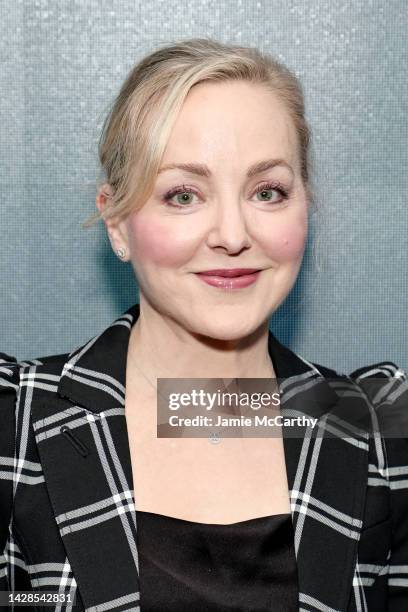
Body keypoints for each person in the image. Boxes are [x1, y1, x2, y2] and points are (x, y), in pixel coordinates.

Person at [0, 37, 407, 612]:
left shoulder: (380, 431)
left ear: (305, 205)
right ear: (117, 223)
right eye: (183, 195)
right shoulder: (14, 423)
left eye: (267, 191)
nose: (233, 235)